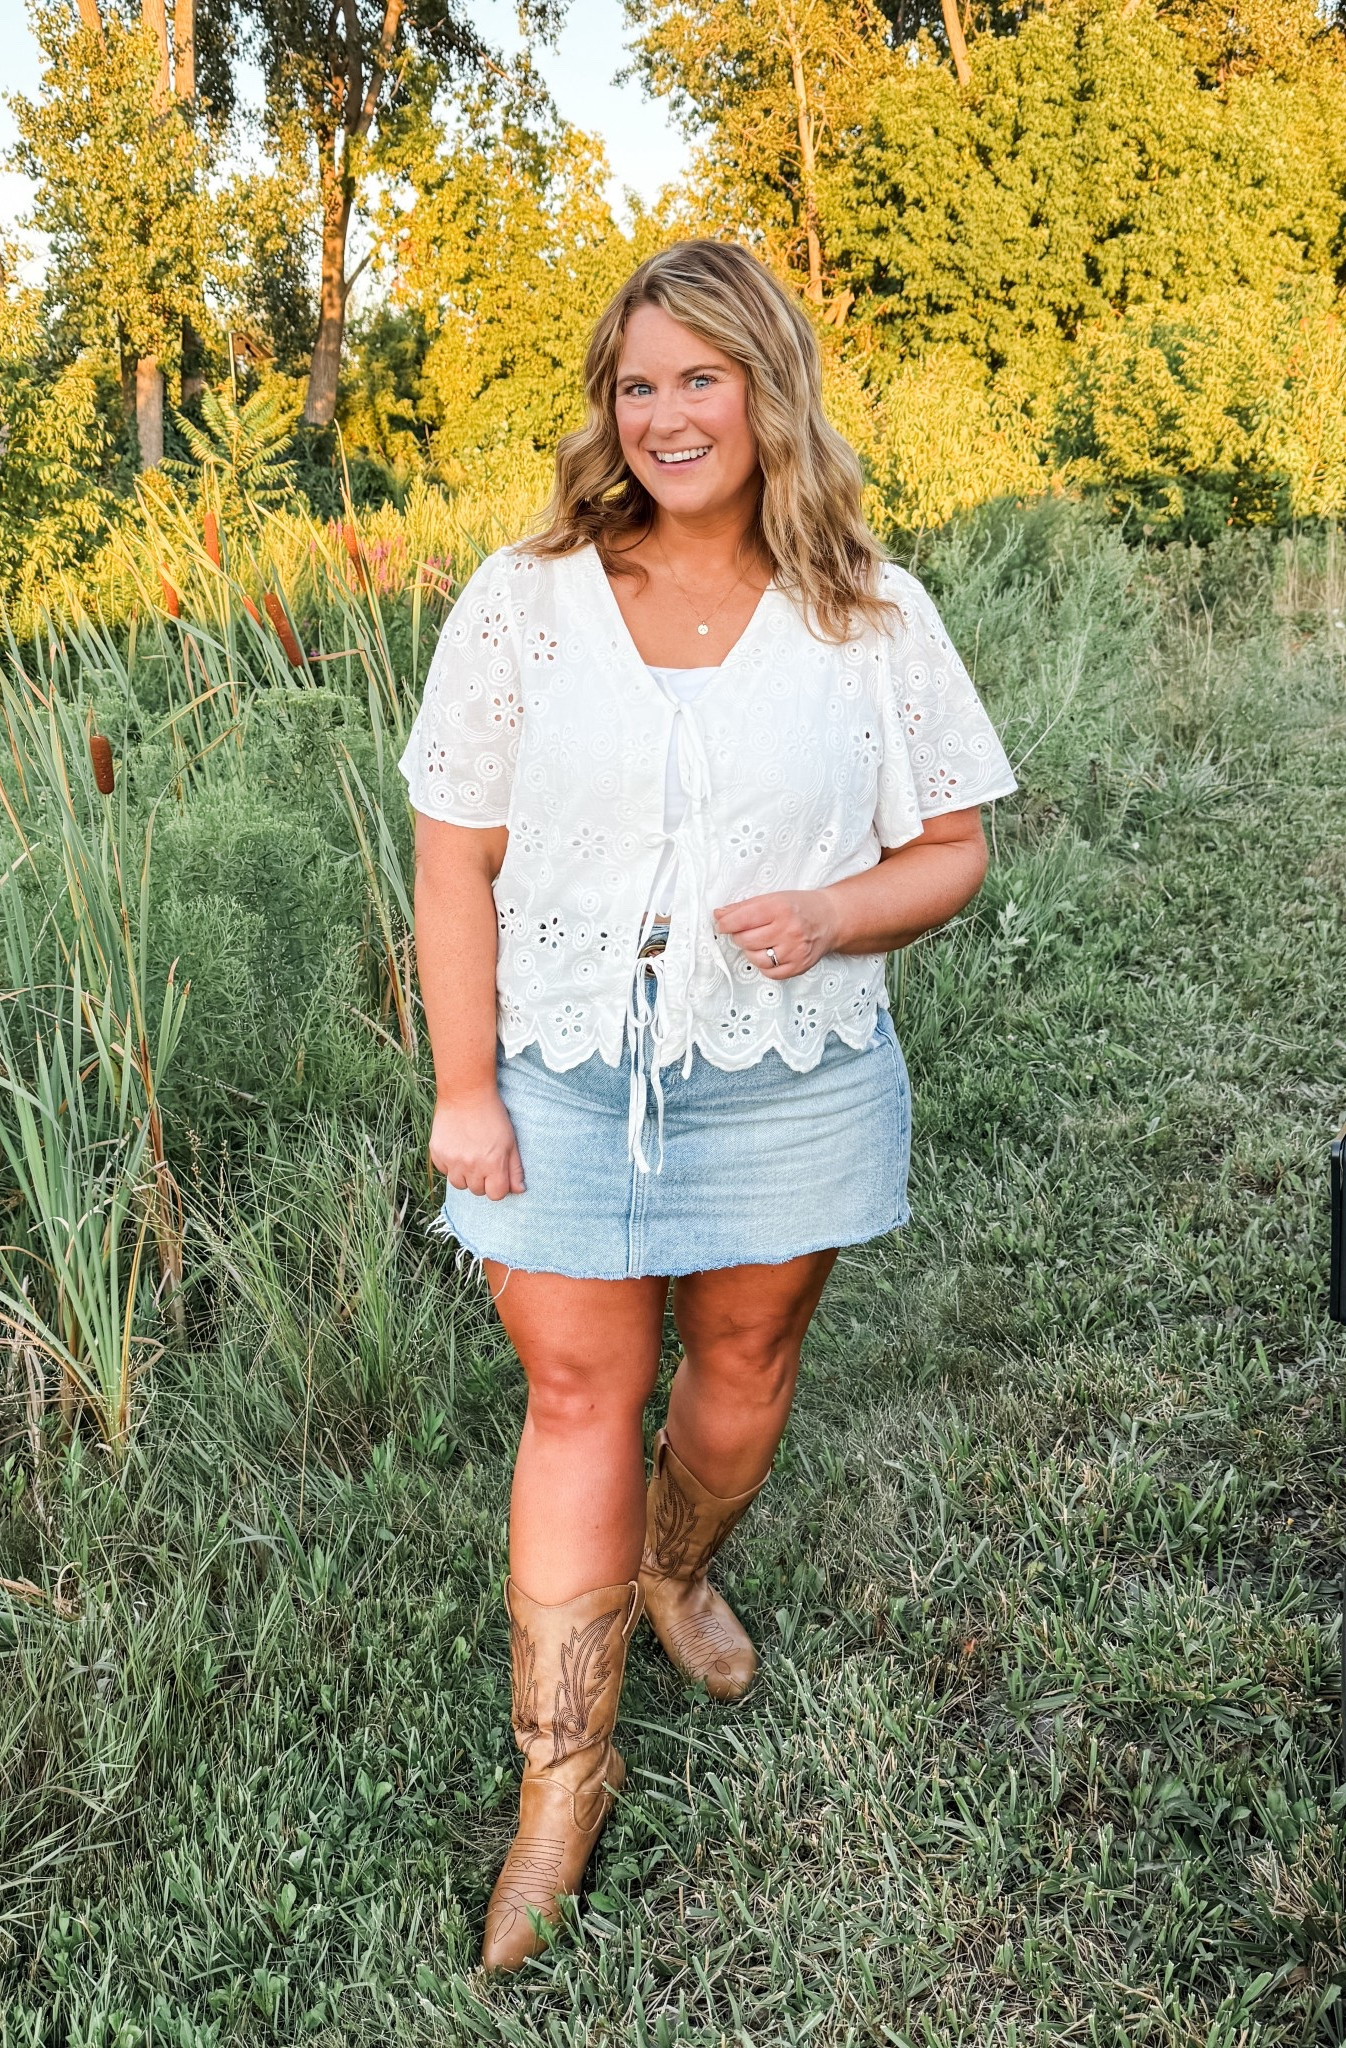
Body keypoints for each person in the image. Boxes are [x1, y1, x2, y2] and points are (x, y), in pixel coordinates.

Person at [399, 238, 1017, 1973]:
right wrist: (467, 1089)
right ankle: (562, 1779)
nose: (666, 414)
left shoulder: (870, 612)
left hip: (789, 1071)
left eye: (702, 378)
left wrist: (831, 914)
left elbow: (953, 847)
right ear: (608, 407)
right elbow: (455, 864)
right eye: (638, 382)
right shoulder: (522, 603)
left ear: (768, 392)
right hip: (563, 1069)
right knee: (579, 1390)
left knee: (742, 1371)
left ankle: (676, 1568)